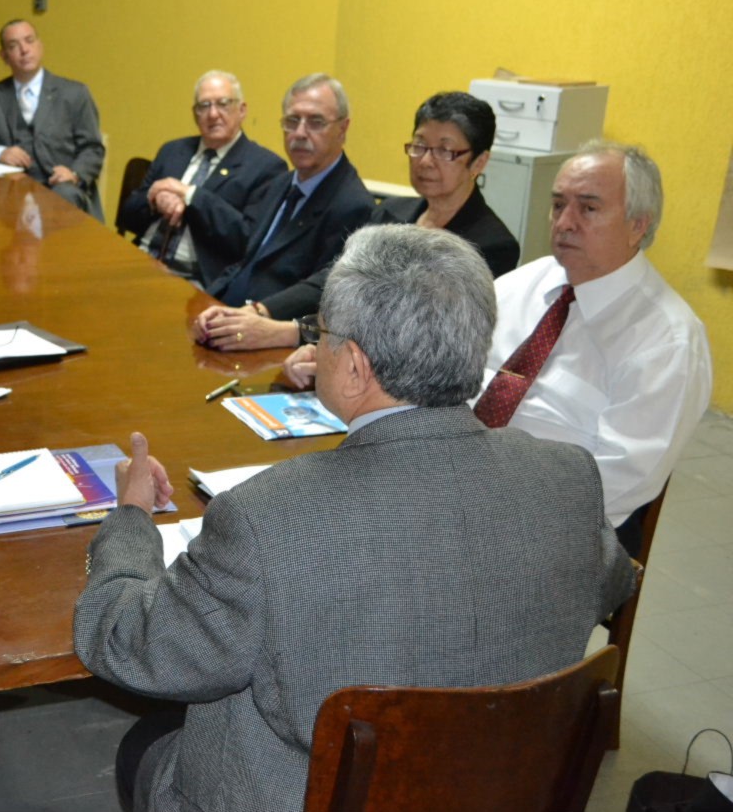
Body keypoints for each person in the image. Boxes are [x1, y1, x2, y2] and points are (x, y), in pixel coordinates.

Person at [75, 224, 635, 812]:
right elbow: (610, 582)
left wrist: (131, 518)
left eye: (321, 334)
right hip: (504, 789)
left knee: (147, 742)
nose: (315, 347)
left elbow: (130, 645)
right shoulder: (570, 477)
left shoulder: (264, 518)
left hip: (312, 796)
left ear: (355, 367)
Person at [472, 141, 711, 555]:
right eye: (558, 205)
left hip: (559, 532)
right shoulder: (520, 285)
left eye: (588, 208)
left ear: (638, 225)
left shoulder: (667, 341)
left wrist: (492, 513)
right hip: (461, 485)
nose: (564, 222)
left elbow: (619, 482)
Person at [197, 91, 518, 351]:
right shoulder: (392, 212)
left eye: (445, 151)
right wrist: (259, 313)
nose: (425, 161)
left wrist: (292, 334)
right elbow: (337, 282)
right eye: (419, 146)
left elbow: (410, 329)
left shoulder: (490, 244)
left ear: (479, 162)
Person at [200, 74, 372, 329]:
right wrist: (208, 301)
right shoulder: (279, 184)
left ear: (343, 128)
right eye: (292, 121)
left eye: (316, 122)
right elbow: (246, 261)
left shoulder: (352, 205)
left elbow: (322, 293)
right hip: (228, 314)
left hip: (270, 333)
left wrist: (258, 313)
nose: (300, 133)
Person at [116, 70, 285, 285]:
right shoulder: (172, 150)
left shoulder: (265, 167)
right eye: (204, 106)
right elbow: (127, 216)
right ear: (195, 114)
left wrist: (190, 195)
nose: (213, 114)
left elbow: (247, 240)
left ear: (242, 110)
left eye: (223, 104)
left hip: (196, 278)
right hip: (141, 260)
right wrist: (155, 199)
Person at [0, 19, 105, 219]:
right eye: (13, 46)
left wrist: (75, 174)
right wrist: (0, 152)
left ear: (40, 46)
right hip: (12, 196)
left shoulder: (74, 94)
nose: (24, 50)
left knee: (64, 196)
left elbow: (93, 149)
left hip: (63, 194)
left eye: (29, 41)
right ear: (4, 56)